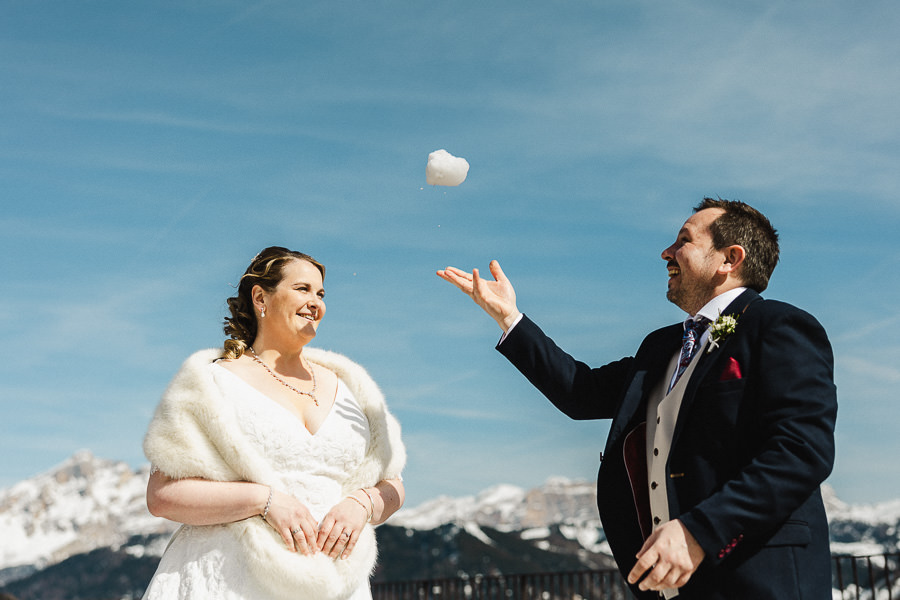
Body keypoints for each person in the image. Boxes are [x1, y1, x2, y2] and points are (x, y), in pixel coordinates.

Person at [437, 198, 837, 599]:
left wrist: (700, 531)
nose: (666, 252)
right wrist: (510, 318)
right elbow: (580, 393)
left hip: (760, 581)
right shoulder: (661, 347)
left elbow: (800, 452)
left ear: (729, 259)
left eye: (684, 240)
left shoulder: (780, 327)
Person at [142, 246, 406, 600]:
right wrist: (263, 500)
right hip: (228, 581)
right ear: (260, 297)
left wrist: (363, 504)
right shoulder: (211, 383)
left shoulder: (351, 386)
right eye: (302, 289)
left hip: (337, 586)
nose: (316, 302)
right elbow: (162, 496)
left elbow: (393, 484)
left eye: (321, 293)